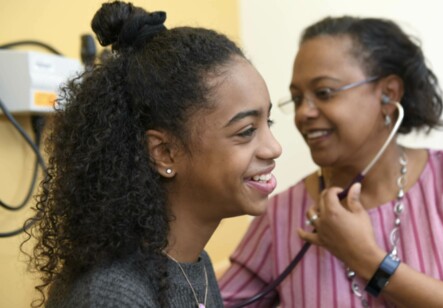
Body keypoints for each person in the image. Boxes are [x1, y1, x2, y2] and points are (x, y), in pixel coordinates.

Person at [219, 16, 443, 307]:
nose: (304, 112)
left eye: (324, 93)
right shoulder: (281, 215)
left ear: (389, 94)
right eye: (297, 98)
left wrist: (370, 262)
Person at [23, 1, 282, 307]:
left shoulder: (195, 267)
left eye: (268, 123)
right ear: (164, 153)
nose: (274, 147)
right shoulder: (112, 296)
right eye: (246, 131)